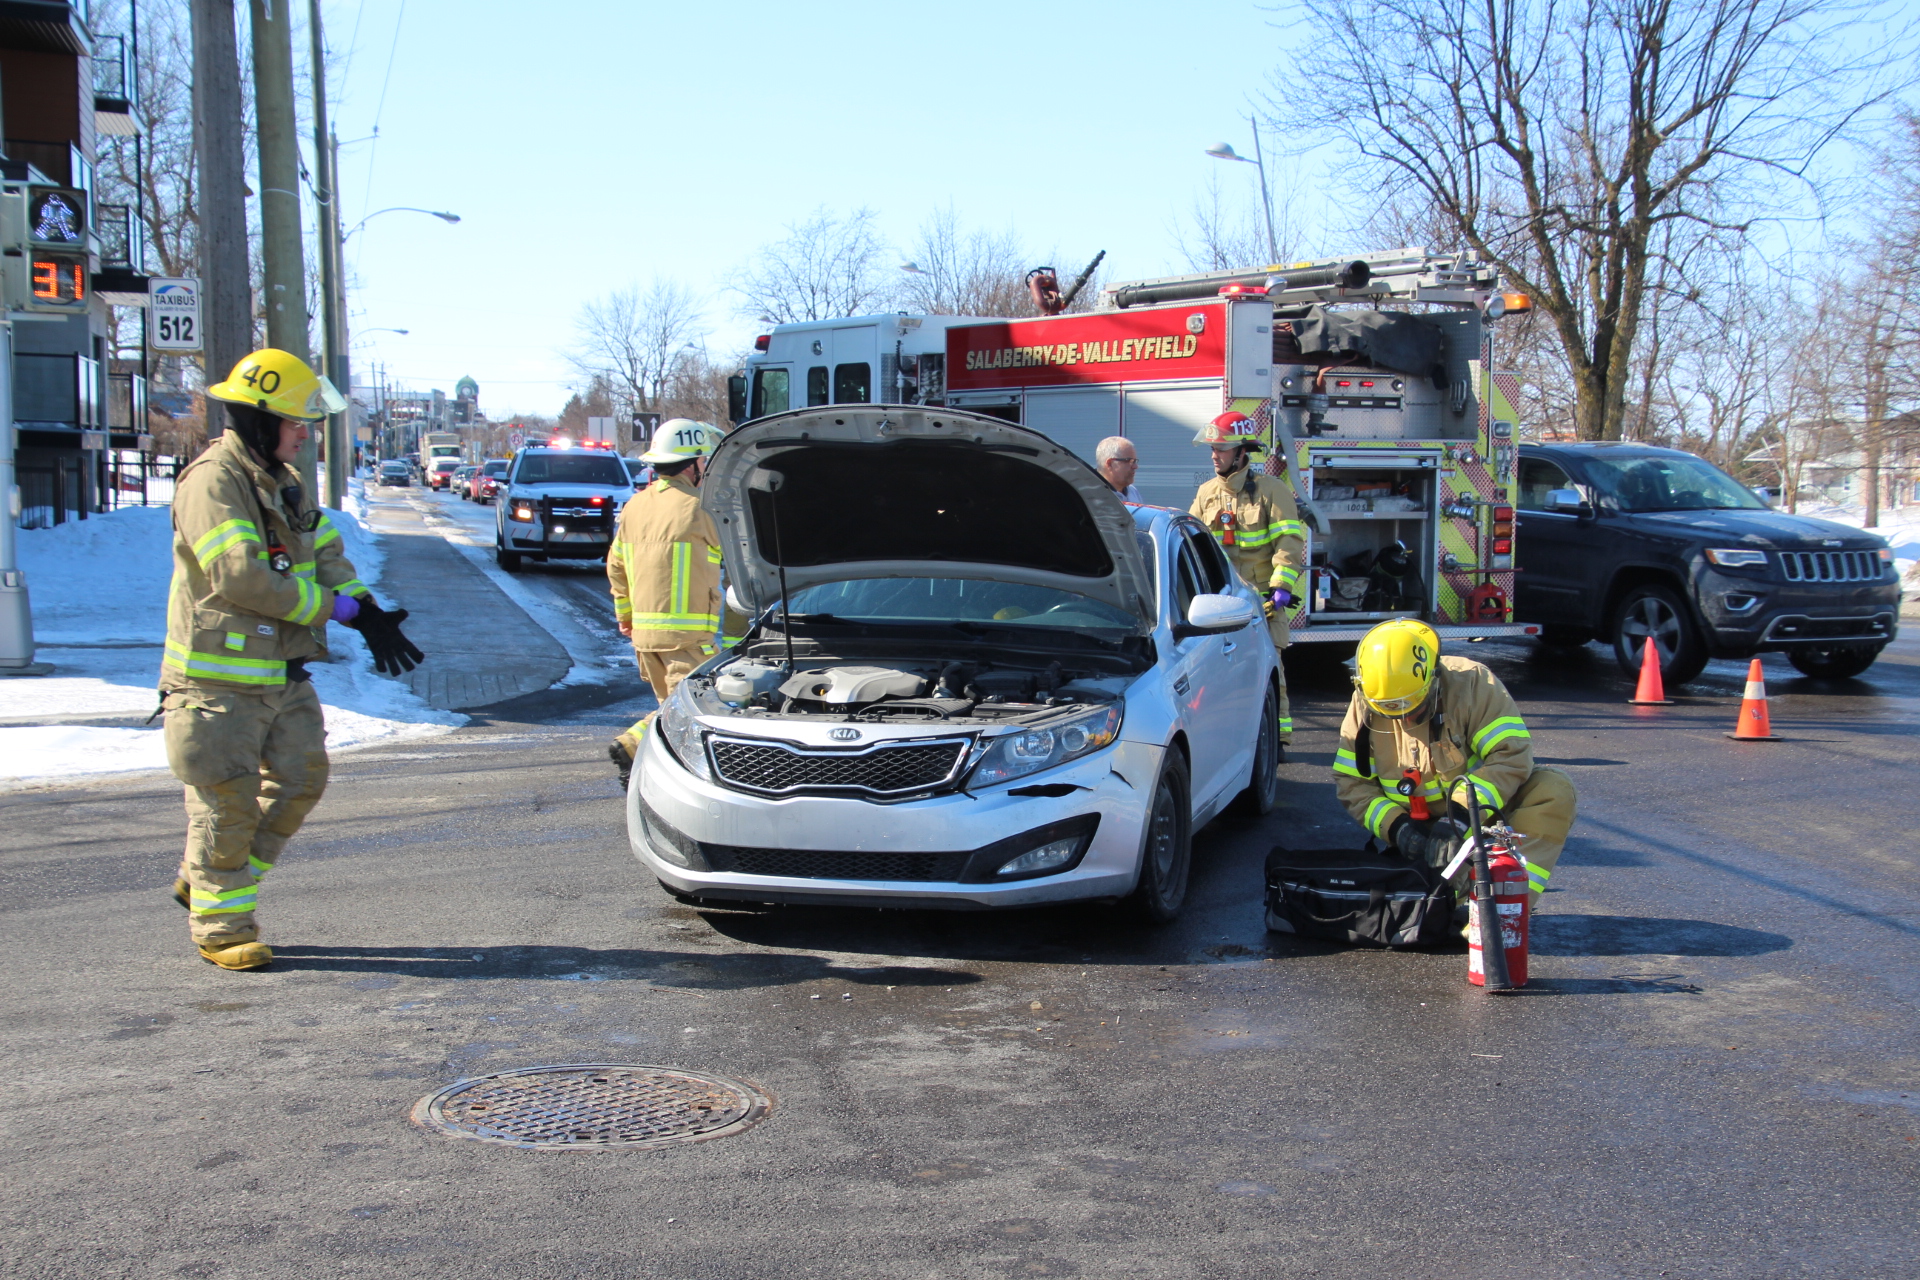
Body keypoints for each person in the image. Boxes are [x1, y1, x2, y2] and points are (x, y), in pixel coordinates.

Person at [164, 349, 423, 971]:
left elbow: (324, 554)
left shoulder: (282, 481)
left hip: (281, 673)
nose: (304, 434)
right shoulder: (213, 481)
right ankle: (222, 925)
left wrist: (367, 610)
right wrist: (334, 611)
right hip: (216, 681)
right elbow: (240, 578)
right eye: (295, 421)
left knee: (303, 779)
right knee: (226, 802)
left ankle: (206, 877)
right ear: (258, 419)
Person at [1332, 618, 1574, 906]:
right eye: (1390, 712)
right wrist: (1397, 828)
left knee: (1552, 789)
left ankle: (1503, 908)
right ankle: (1455, 905)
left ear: (1433, 678)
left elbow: (1511, 756)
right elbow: (1352, 783)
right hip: (1419, 837)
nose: (1403, 718)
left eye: (1414, 707)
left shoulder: (1472, 684)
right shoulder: (1368, 699)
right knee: (1436, 905)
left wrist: (1459, 815)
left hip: (1479, 821)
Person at [607, 418, 728, 787]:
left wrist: (625, 617)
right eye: (703, 461)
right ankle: (632, 746)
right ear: (691, 463)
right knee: (695, 709)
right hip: (687, 639)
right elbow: (746, 562)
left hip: (645, 639)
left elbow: (615, 567)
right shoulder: (701, 508)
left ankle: (650, 773)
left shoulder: (634, 507)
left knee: (674, 707)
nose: (705, 468)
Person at [1189, 410, 1304, 748]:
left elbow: (1289, 541)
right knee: (1216, 672)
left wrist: (1281, 588)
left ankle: (1276, 741)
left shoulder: (1271, 491)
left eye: (1222, 449)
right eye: (1212, 449)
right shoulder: (1207, 492)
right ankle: (1227, 740)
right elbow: (1192, 544)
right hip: (1221, 603)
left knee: (1271, 672)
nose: (1214, 456)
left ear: (1241, 452)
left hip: (1264, 603)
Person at [1094, 436, 1141, 500]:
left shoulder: (1132, 491)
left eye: (1134, 461)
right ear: (1110, 463)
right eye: (1128, 461)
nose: (1135, 466)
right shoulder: (1092, 496)